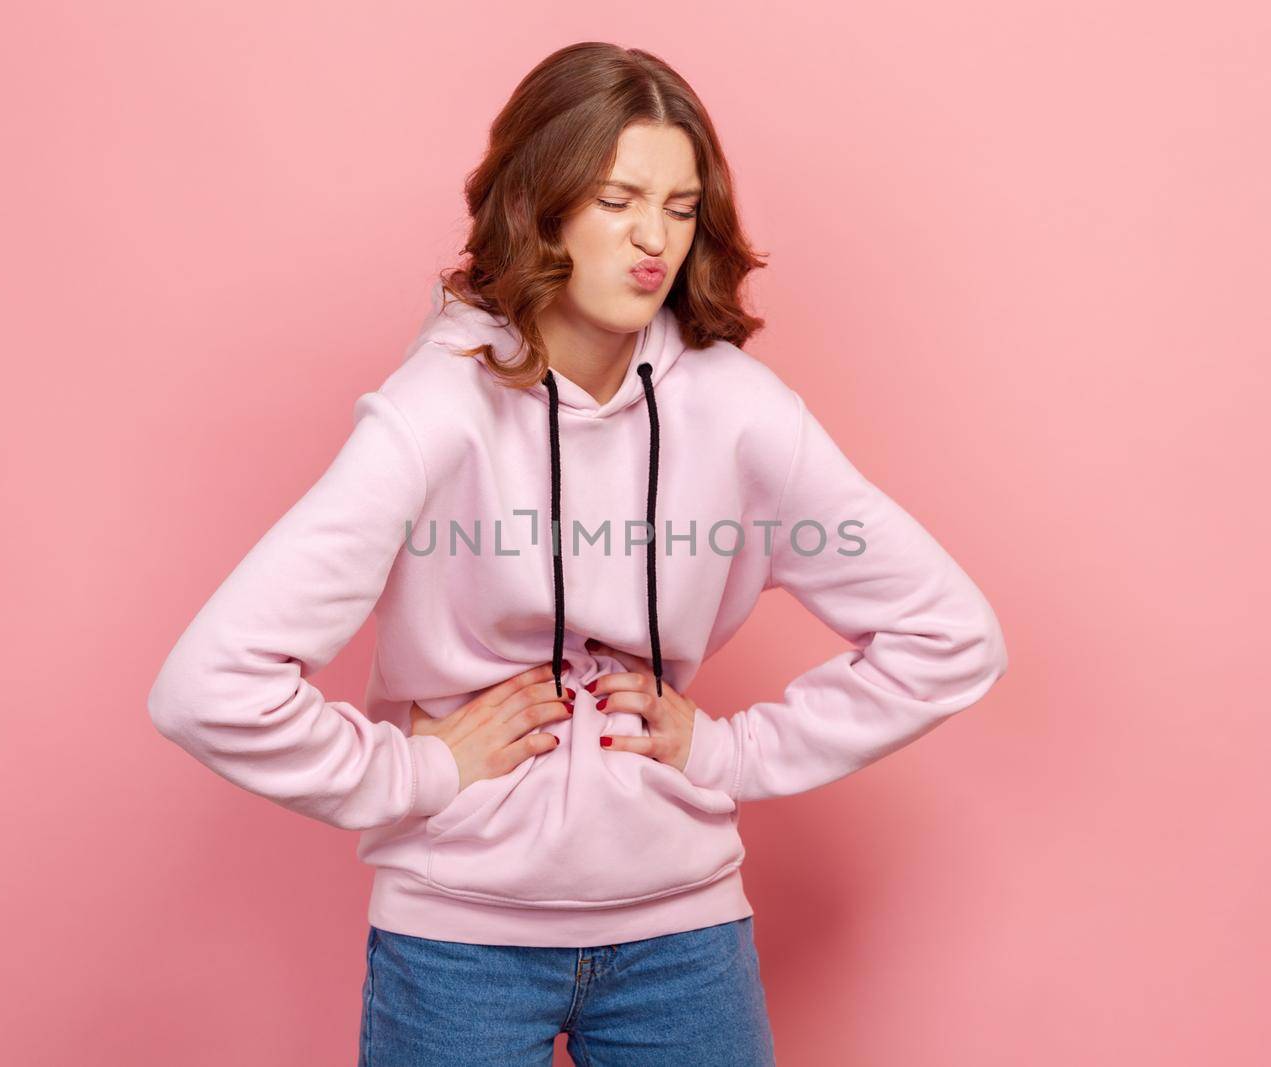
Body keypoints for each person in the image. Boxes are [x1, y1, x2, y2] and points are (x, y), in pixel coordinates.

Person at [147, 41, 1009, 1067]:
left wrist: (729, 752)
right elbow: (208, 686)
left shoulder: (738, 412)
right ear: (540, 204)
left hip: (683, 940)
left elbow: (950, 633)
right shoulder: (434, 413)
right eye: (617, 199)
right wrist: (415, 771)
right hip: (457, 942)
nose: (654, 239)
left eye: (681, 207)